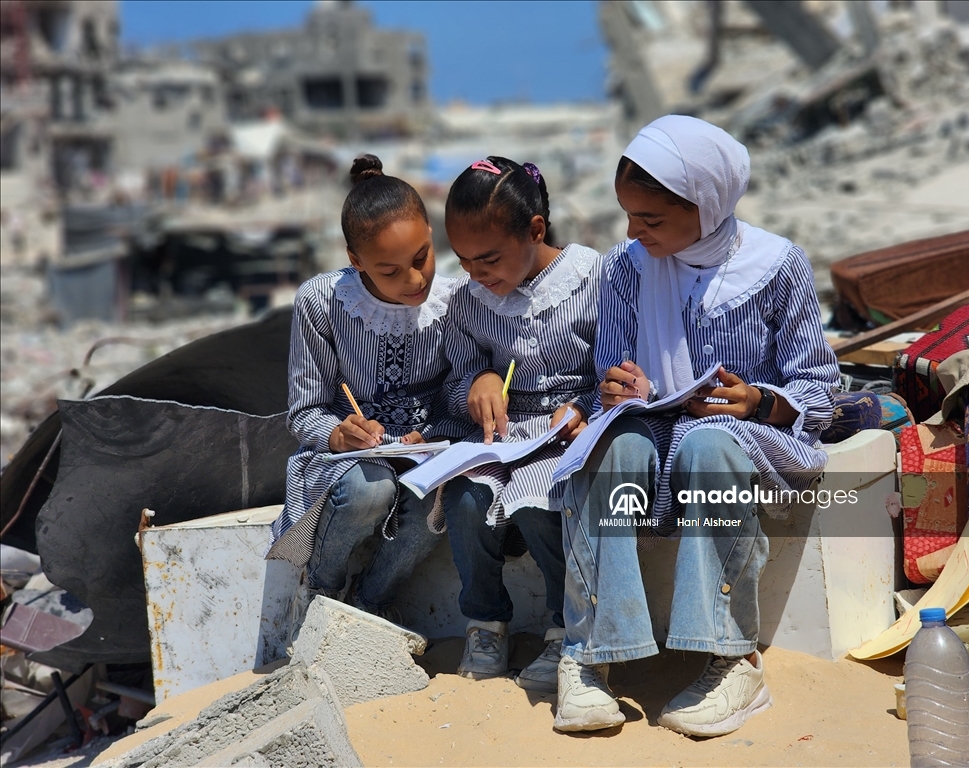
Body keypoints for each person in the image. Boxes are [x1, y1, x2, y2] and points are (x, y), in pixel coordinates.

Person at [554, 116, 839, 736]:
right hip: (655, 427)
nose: (634, 232)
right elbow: (611, 364)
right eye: (628, 215)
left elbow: (818, 392)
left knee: (710, 444)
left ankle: (732, 659)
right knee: (615, 447)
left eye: (651, 220)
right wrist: (616, 385)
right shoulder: (626, 269)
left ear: (707, 205)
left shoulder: (777, 266)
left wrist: (759, 400)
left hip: (742, 437)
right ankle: (587, 658)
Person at [266, 155, 469, 625]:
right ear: (355, 262)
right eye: (390, 271)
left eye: (422, 258)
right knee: (368, 489)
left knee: (437, 492)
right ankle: (321, 590)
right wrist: (341, 434)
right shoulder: (320, 302)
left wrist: (435, 431)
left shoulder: (456, 301)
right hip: (347, 459)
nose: (415, 280)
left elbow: (456, 398)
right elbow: (305, 412)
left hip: (426, 452)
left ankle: (374, 601)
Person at [441, 157, 603, 693]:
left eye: (488, 258)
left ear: (536, 230)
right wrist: (478, 380)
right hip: (500, 434)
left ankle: (563, 626)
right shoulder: (469, 302)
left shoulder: (594, 278)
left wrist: (582, 406)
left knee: (539, 505)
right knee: (466, 499)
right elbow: (455, 375)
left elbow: (616, 369)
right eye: (464, 261)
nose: (476, 273)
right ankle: (485, 622)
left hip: (567, 431)